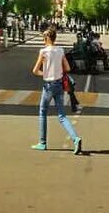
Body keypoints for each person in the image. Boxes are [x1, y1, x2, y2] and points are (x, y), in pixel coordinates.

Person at [31, 27, 83, 155]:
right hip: (60, 85)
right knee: (62, 116)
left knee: (43, 112)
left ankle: (42, 143)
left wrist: (45, 73)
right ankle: (75, 138)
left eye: (44, 38)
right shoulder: (60, 50)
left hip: (49, 85)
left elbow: (35, 70)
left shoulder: (43, 52)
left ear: (47, 38)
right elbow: (68, 68)